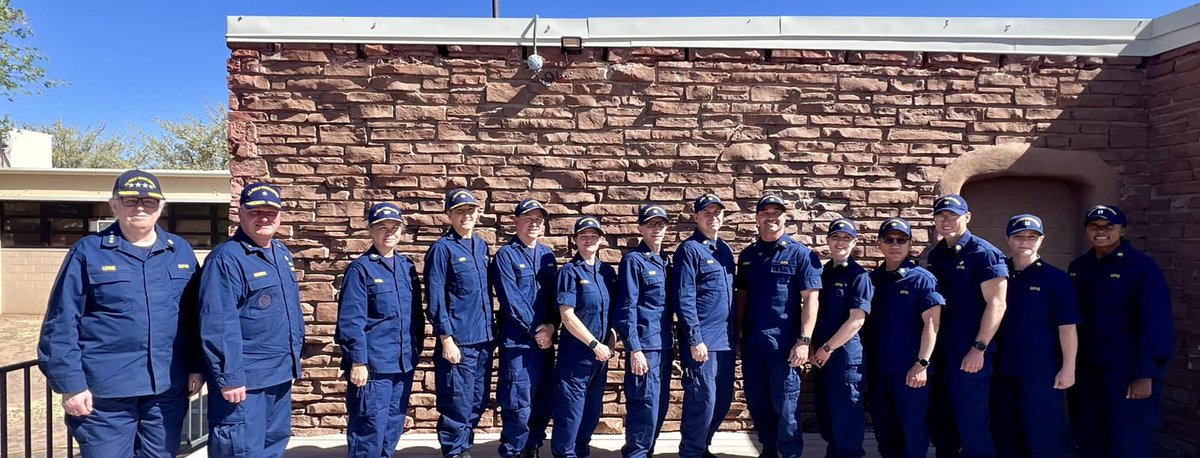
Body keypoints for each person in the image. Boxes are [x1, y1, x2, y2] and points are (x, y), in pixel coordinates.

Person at [37, 170, 203, 458]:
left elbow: (196, 318)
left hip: (166, 389)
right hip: (106, 394)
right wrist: (71, 385)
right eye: (130, 200)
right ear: (114, 205)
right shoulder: (88, 252)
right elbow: (61, 322)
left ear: (161, 207)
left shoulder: (181, 252)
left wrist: (197, 366)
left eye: (149, 201)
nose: (140, 207)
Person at [199, 182, 305, 457]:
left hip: (278, 376)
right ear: (240, 214)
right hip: (245, 383)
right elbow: (218, 322)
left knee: (272, 448)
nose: (264, 218)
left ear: (280, 216)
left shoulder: (280, 253)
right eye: (256, 211)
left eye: (271, 212)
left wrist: (293, 364)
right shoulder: (226, 259)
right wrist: (230, 377)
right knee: (240, 451)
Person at [1067, 205, 1173, 458]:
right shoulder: (1079, 267)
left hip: (1127, 371)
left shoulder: (1141, 268)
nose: (1101, 232)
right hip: (1087, 369)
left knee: (1128, 440)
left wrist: (1146, 373)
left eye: (1108, 227)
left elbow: (1155, 322)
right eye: (1094, 226)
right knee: (1089, 435)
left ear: (1122, 230)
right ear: (1086, 231)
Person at [735, 194, 823, 458]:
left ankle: (790, 453)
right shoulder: (748, 255)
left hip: (785, 346)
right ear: (757, 218)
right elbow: (742, 297)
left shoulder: (800, 254)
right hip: (753, 344)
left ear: (786, 217)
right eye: (765, 212)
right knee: (758, 403)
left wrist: (804, 341)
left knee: (786, 406)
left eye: (777, 212)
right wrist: (738, 334)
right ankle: (768, 450)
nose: (771, 217)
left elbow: (811, 299)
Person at [336, 203, 424, 458]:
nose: (389, 233)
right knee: (369, 429)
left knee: (393, 426)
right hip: (373, 367)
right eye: (382, 227)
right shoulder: (361, 269)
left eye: (394, 228)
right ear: (371, 231)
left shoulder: (406, 267)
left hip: (402, 364)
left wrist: (414, 351)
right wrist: (358, 361)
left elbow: (415, 316)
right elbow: (351, 321)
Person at [925, 194, 1008, 458]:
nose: (946, 221)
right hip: (942, 351)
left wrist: (979, 347)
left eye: (953, 216)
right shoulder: (938, 254)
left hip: (970, 352)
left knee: (972, 422)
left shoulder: (983, 253)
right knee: (944, 422)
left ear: (967, 217)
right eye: (941, 216)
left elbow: (997, 304)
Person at [991, 214, 1079, 458]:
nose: (1025, 242)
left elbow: (1068, 327)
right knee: (1006, 432)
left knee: (1044, 434)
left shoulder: (1055, 279)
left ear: (1041, 240)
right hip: (1003, 368)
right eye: (1019, 236)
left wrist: (1069, 367)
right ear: (1008, 239)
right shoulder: (999, 274)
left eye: (1032, 237)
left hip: (1042, 370)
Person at [867, 217, 944, 458]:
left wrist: (921, 363)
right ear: (879, 243)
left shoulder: (922, 278)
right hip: (880, 370)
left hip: (911, 370)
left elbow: (933, 323)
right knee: (884, 428)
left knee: (913, 429)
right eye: (889, 240)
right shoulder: (872, 280)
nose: (895, 245)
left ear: (910, 244)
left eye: (902, 240)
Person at [425, 188, 494, 458]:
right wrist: (446, 339)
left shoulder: (481, 246)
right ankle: (455, 452)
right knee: (456, 403)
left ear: (478, 213)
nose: (466, 215)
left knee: (476, 400)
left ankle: (465, 448)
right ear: (449, 215)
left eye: (470, 210)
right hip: (459, 341)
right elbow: (435, 298)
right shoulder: (442, 250)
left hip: (484, 339)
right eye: (460, 211)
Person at [492, 198, 559, 458]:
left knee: (543, 400)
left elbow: (555, 297)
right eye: (528, 219)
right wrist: (537, 331)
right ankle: (513, 450)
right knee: (518, 402)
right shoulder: (505, 256)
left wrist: (552, 326)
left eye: (538, 220)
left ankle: (532, 447)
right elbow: (511, 300)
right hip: (519, 343)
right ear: (515, 221)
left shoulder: (547, 255)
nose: (533, 224)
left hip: (544, 343)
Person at [672, 193, 737, 458]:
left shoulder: (725, 250)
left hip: (725, 340)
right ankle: (691, 451)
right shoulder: (689, 250)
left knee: (722, 400)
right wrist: (694, 338)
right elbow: (684, 298)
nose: (713, 217)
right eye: (706, 213)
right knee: (703, 399)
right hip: (703, 342)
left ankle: (703, 446)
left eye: (717, 212)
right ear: (696, 217)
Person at [551, 216, 618, 458]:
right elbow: (567, 316)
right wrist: (594, 343)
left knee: (591, 413)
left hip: (600, 359)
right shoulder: (569, 272)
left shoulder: (606, 272)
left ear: (601, 240)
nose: (588, 240)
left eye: (593, 236)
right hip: (577, 358)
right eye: (583, 236)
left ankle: (581, 453)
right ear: (575, 240)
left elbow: (614, 312)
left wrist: (611, 338)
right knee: (571, 413)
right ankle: (565, 454)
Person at [615, 204, 673, 458]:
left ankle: (646, 452)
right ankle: (636, 454)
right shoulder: (633, 261)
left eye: (661, 224)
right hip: (645, 346)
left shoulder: (665, 261)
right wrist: (634, 348)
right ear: (640, 228)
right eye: (651, 224)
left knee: (659, 407)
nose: (656, 229)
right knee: (644, 405)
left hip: (664, 346)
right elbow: (626, 307)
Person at [811, 218, 873, 458]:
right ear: (828, 240)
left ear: (855, 242)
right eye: (835, 237)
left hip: (845, 360)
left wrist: (826, 348)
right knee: (828, 422)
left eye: (846, 238)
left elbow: (857, 320)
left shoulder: (858, 276)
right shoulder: (822, 273)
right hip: (821, 359)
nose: (840, 242)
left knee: (847, 423)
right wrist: (813, 346)